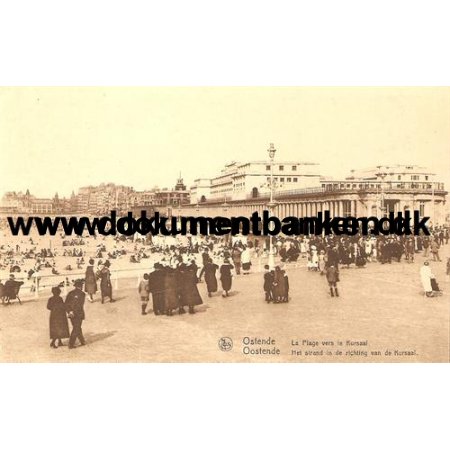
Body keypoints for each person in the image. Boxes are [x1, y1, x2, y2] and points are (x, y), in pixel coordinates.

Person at [65, 280, 86, 349]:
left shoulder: (70, 293)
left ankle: (82, 341)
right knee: (76, 328)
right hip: (78, 314)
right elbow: (80, 305)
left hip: (71, 314)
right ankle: (71, 344)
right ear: (80, 286)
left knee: (77, 327)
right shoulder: (82, 294)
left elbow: (66, 304)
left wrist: (70, 311)